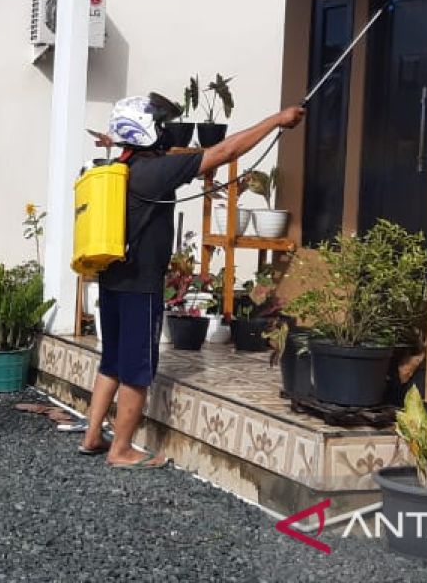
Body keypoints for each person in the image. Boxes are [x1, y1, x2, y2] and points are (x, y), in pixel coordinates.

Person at [80, 95, 304, 468]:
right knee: (137, 367)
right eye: (160, 124)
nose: (166, 130)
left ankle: (92, 437)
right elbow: (225, 150)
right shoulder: (157, 172)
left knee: (113, 362)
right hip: (141, 286)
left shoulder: (121, 166)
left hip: (113, 277)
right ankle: (120, 449)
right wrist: (276, 121)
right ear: (145, 130)